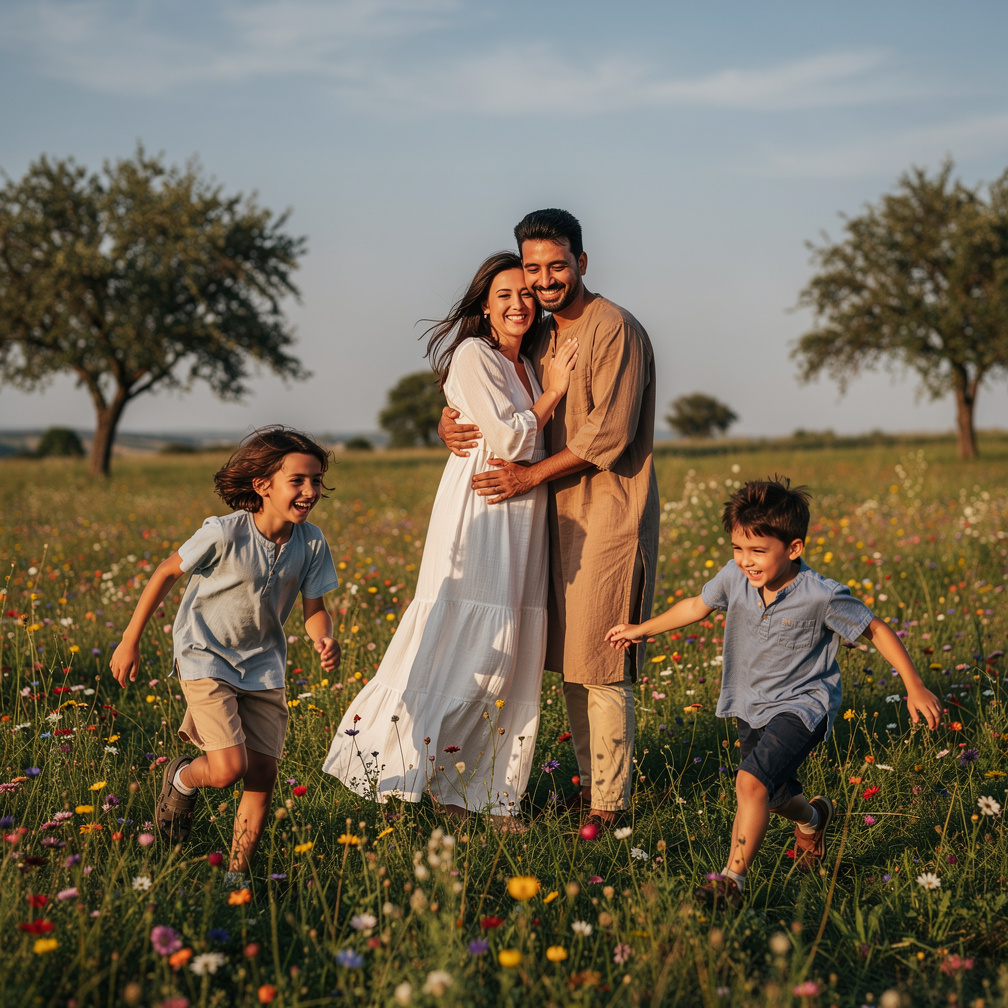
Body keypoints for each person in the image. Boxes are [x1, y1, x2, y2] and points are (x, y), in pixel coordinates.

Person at [323, 252, 578, 825]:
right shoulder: (475, 355)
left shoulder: (531, 363)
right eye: (504, 295)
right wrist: (553, 394)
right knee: (463, 640)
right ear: (484, 307)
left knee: (508, 653)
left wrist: (542, 388)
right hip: (480, 510)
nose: (518, 304)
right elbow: (513, 441)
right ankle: (394, 774)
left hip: (523, 515)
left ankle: (478, 792)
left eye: (526, 295)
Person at [606, 477, 942, 907]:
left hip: (803, 707)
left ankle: (731, 882)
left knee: (749, 783)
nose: (746, 561)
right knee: (775, 794)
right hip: (750, 704)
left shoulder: (821, 595)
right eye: (738, 549)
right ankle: (814, 818)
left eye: (758, 551)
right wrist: (641, 629)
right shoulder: (734, 577)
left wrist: (914, 685)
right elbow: (697, 605)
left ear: (794, 548)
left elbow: (874, 629)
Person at [440, 209, 659, 830]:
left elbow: (607, 436)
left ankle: (610, 808)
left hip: (610, 516)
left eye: (556, 266)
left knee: (604, 660)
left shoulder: (612, 328)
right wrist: (449, 419)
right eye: (532, 268)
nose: (543, 280)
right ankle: (591, 789)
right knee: (568, 658)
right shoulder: (539, 331)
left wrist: (526, 476)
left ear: (581, 263)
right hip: (547, 524)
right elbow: (495, 391)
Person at [110, 426, 340, 877]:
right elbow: (164, 573)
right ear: (262, 485)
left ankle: (235, 878)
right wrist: (129, 639)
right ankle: (182, 777)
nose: (310, 491)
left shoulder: (311, 543)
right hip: (206, 655)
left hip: (264, 666)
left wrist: (322, 636)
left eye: (316, 481)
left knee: (263, 776)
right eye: (298, 480)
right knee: (228, 768)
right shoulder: (223, 533)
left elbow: (316, 609)